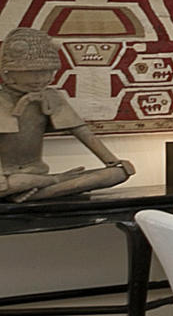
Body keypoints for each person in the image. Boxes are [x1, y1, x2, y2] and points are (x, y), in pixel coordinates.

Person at [0, 26, 135, 201]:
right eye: (33, 73)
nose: (41, 79)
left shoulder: (51, 96)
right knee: (18, 183)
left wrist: (112, 161)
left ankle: (41, 189)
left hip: (36, 174)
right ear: (9, 73)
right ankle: (56, 182)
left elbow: (81, 131)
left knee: (118, 173)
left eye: (47, 73)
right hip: (10, 177)